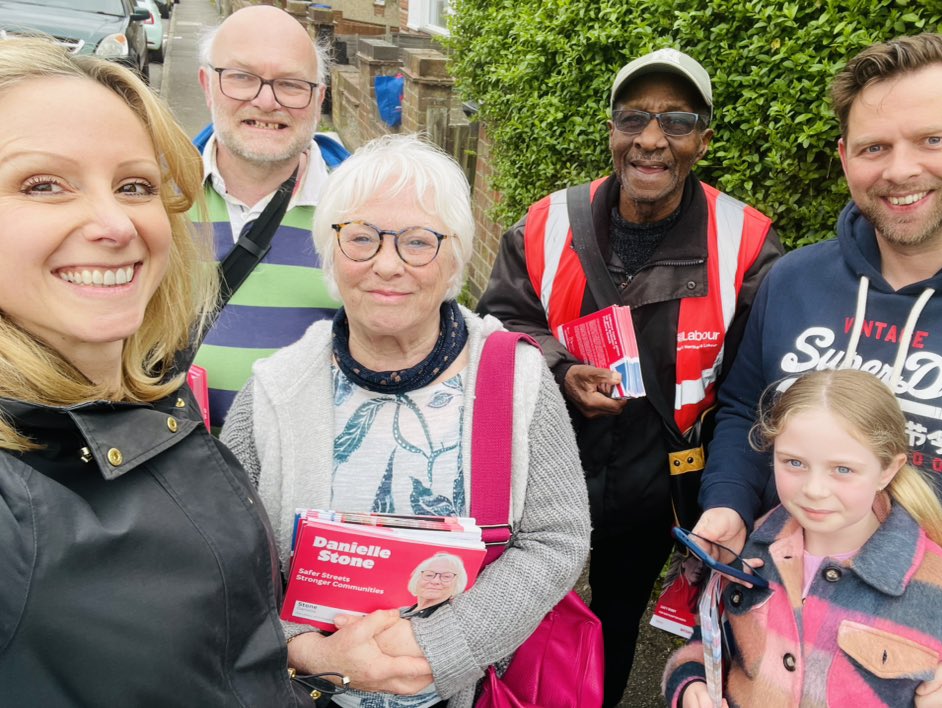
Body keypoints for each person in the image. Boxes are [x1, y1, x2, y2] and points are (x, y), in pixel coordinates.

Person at [693, 33, 942, 706]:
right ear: (846, 158)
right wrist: (726, 501)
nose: (901, 170)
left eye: (933, 140)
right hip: (785, 639)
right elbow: (743, 409)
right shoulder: (794, 282)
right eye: (875, 147)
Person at [221, 133, 590, 708]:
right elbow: (224, 560)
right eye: (361, 238)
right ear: (331, 252)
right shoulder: (273, 392)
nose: (387, 265)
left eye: (418, 242)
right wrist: (308, 654)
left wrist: (439, 649)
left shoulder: (518, 379)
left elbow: (557, 537)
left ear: (453, 260)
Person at [476, 47, 783, 704]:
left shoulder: (747, 241)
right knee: (512, 613)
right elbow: (501, 320)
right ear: (611, 130)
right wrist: (558, 368)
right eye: (634, 118)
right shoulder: (546, 223)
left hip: (656, 491)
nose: (651, 139)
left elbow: (757, 380)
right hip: (540, 477)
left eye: (676, 120)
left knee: (614, 626)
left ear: (703, 138)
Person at [0, 36, 295, 705]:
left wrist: (291, 669)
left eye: (135, 186)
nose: (114, 222)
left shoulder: (142, 401)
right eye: (43, 185)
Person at [665, 370, 942, 708]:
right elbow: (711, 642)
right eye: (794, 462)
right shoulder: (751, 550)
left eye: (842, 469)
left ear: (888, 469)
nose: (814, 490)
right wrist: (692, 682)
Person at [192, 5, 349, 430]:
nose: (266, 100)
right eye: (241, 77)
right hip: (168, 473)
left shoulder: (363, 211)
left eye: (290, 84)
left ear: (318, 97)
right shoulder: (149, 197)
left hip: (304, 474)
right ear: (208, 85)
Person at [403, 554, 468, 617]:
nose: (435, 581)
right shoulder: (401, 612)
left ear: (458, 583)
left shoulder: (452, 620)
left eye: (446, 576)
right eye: (429, 575)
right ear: (417, 579)